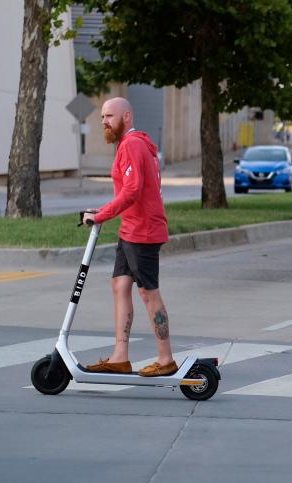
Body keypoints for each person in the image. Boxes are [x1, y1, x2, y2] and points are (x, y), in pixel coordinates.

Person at [82, 97, 176, 377]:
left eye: (109, 116)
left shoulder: (133, 144)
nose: (104, 122)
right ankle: (120, 356)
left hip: (143, 231)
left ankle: (166, 359)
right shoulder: (128, 145)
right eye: (102, 117)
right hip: (131, 228)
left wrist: (101, 216)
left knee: (148, 293)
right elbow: (129, 192)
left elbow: (133, 190)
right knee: (120, 285)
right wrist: (102, 210)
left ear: (127, 117)